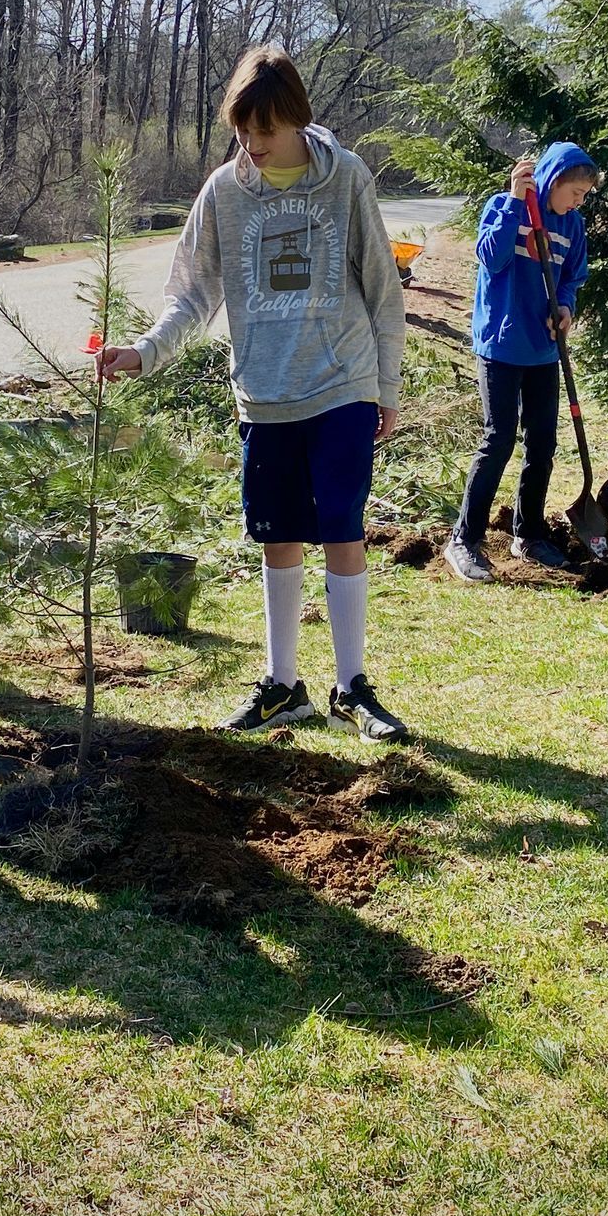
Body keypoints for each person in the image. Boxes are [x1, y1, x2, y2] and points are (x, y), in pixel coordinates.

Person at [97, 45, 409, 742]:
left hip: (342, 383)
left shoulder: (346, 178)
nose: (253, 145)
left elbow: (383, 291)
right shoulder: (225, 192)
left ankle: (353, 687)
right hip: (264, 394)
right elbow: (193, 294)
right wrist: (145, 352)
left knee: (342, 530)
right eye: (242, 132)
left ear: (296, 117)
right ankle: (283, 684)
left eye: (265, 132)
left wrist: (387, 387)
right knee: (277, 537)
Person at [445, 144, 600, 584]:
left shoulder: (572, 224)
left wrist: (566, 307)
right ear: (551, 180)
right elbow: (490, 257)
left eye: (585, 194)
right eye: (575, 191)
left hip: (543, 349)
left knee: (543, 443)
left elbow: (572, 275)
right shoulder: (504, 207)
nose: (578, 200)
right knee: (499, 438)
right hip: (501, 344)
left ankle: (528, 533)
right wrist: (515, 201)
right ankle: (464, 539)